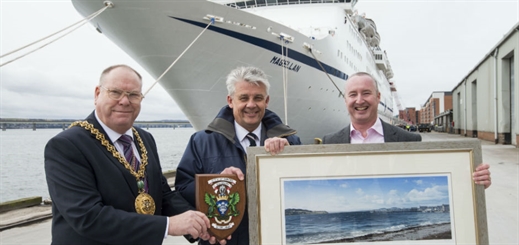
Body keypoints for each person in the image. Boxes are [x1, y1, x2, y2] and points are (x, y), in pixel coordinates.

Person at [44, 65, 222, 245]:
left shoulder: (145, 138)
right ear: (97, 94)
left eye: (133, 95)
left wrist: (202, 225)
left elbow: (163, 195)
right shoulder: (67, 145)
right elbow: (88, 217)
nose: (124, 101)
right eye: (115, 92)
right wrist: (168, 225)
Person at [174, 66, 301, 245]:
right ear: (230, 100)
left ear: (267, 101)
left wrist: (289, 154)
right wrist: (215, 183)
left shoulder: (289, 142)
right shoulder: (201, 141)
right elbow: (181, 190)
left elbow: (305, 186)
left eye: (258, 98)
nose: (251, 105)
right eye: (243, 98)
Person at [322, 72, 491, 188]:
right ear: (345, 99)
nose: (359, 100)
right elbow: (324, 185)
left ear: (378, 97)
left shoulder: (409, 140)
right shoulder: (330, 143)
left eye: (366, 93)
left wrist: (472, 181)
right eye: (353, 94)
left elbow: (430, 182)